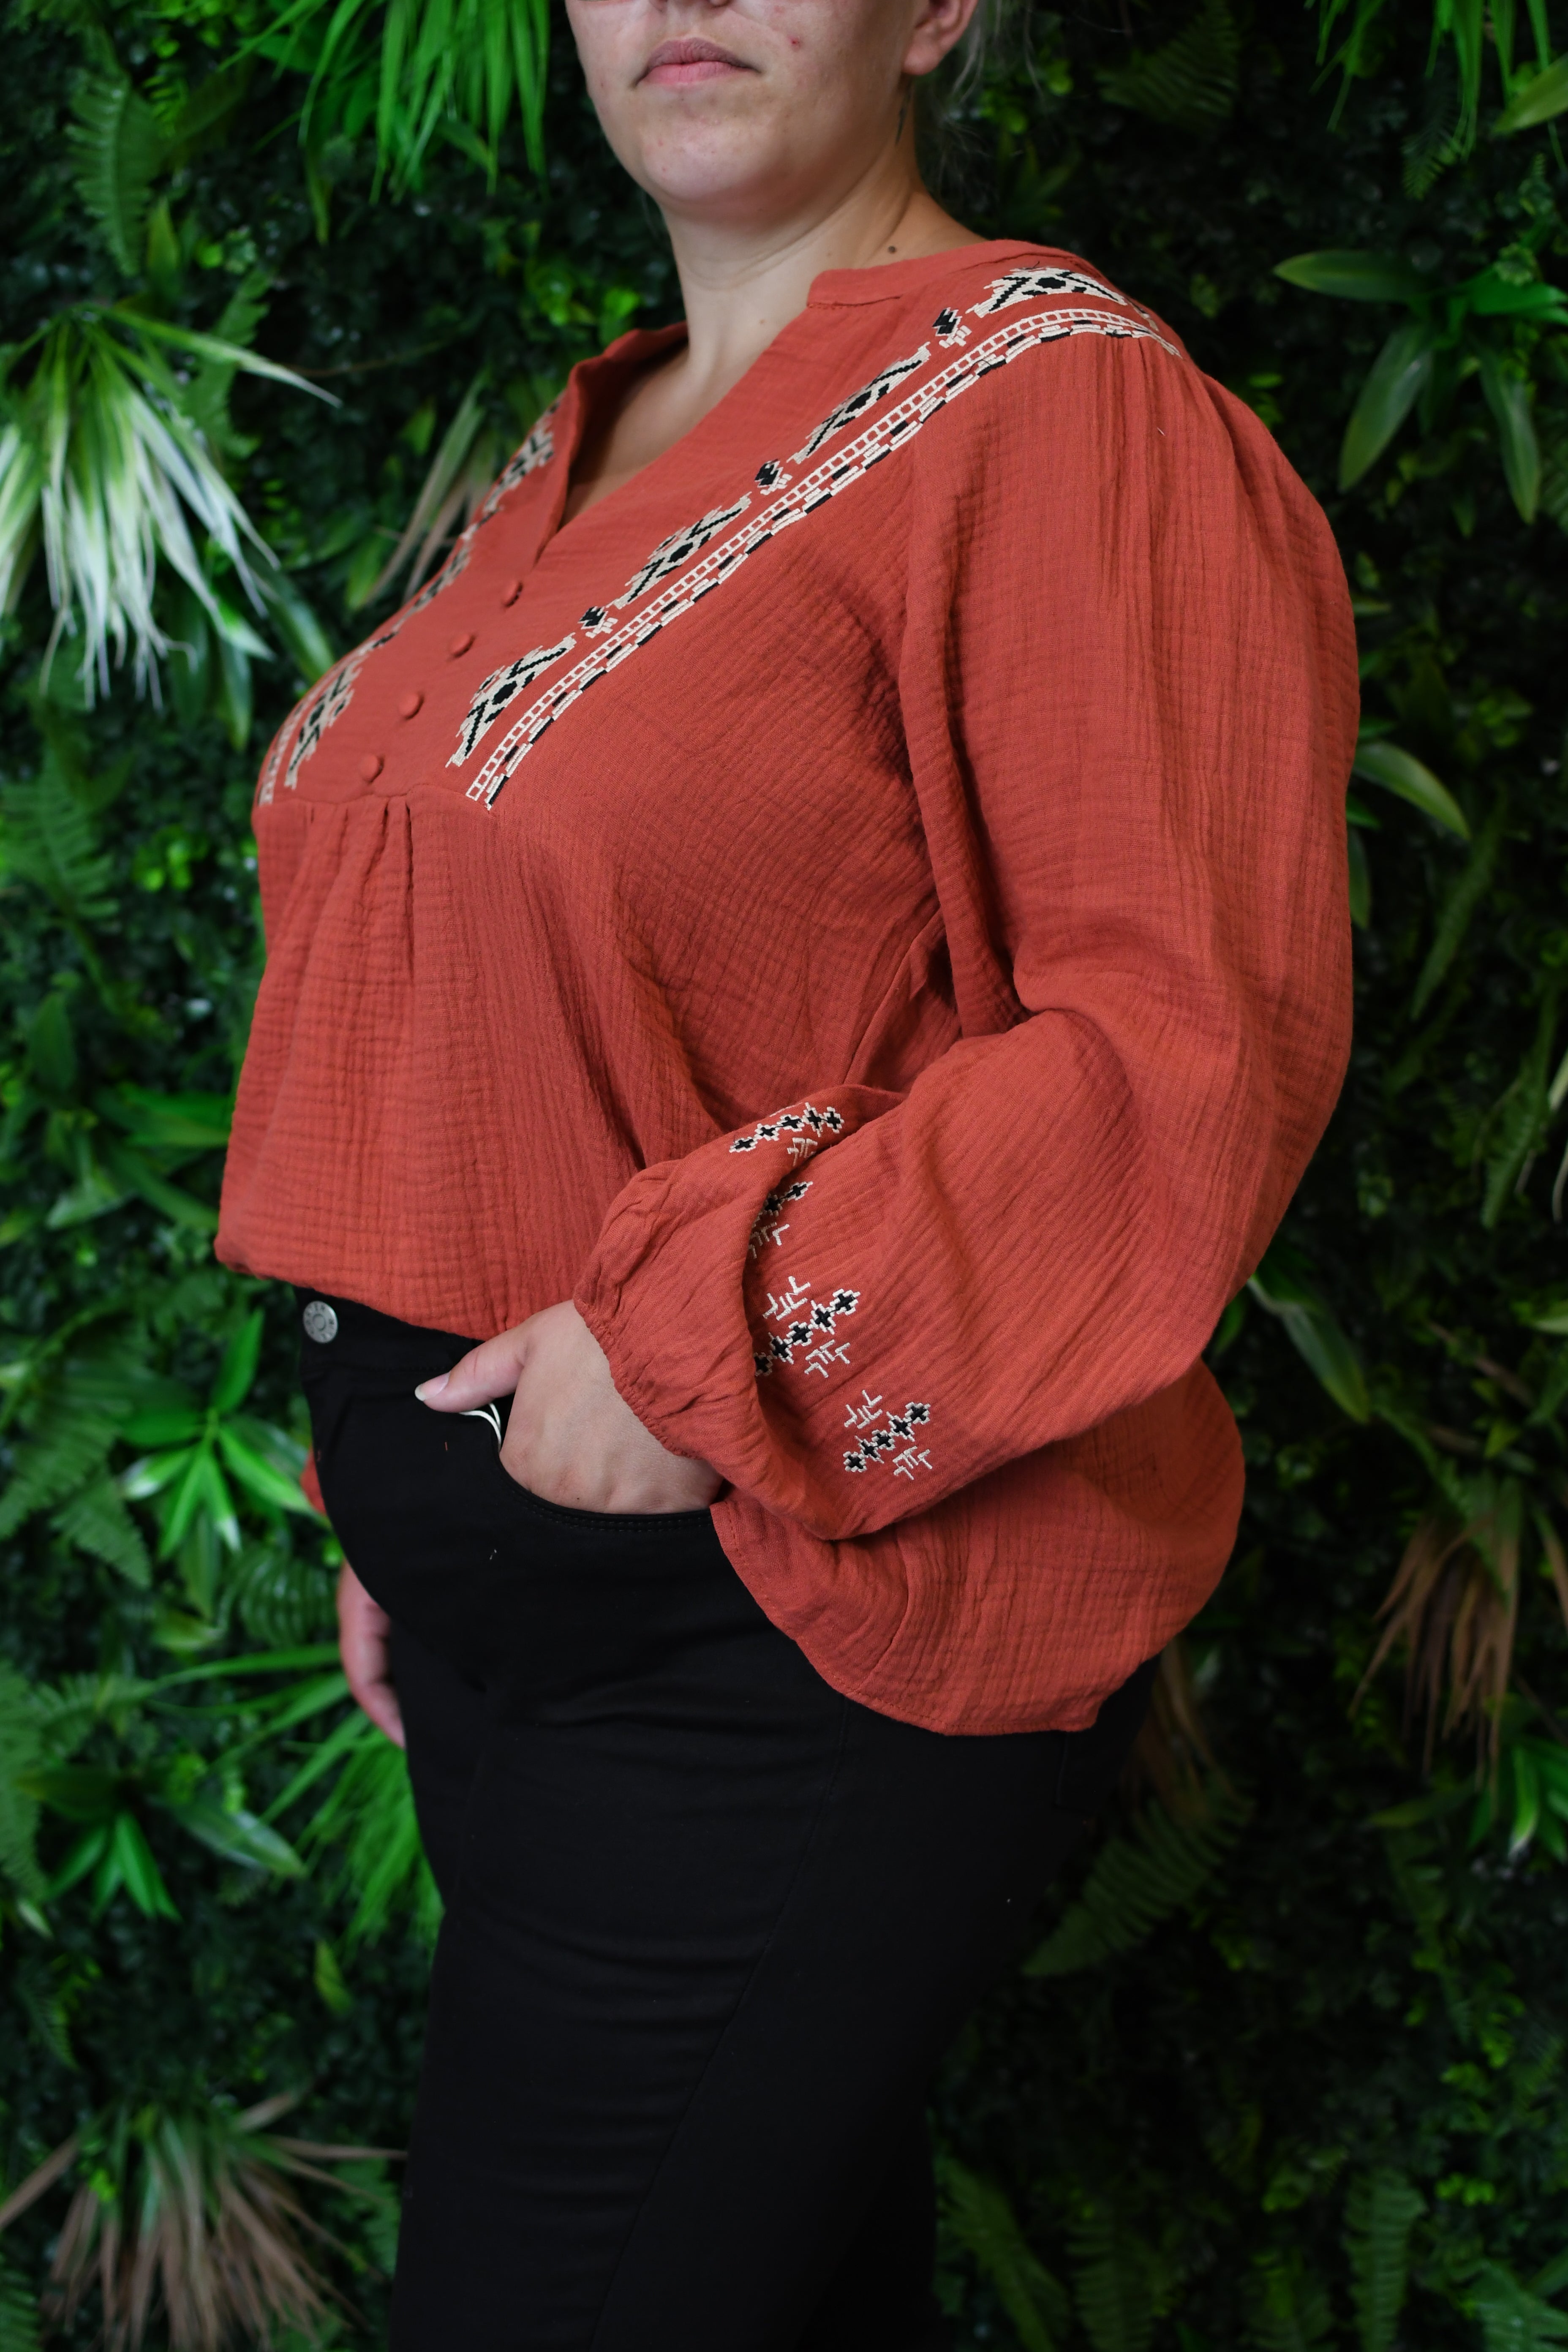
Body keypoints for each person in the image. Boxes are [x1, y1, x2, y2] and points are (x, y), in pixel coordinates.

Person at [216, 0, 1357, 2341]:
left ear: (935, 10)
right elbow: (469, 998)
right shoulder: (586, 432)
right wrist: (387, 1497)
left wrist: (693, 1345)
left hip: (774, 1617)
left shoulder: (1053, 403)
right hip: (507, 1606)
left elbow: (1180, 1054)